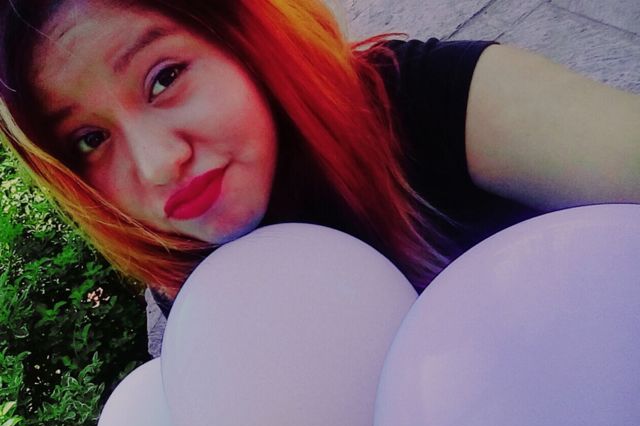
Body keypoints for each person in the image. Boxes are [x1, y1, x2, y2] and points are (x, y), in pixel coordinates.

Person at [1, 0, 639, 338]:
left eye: (164, 78)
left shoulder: (433, 102)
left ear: (242, 37)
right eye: (90, 139)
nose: (159, 164)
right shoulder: (194, 293)